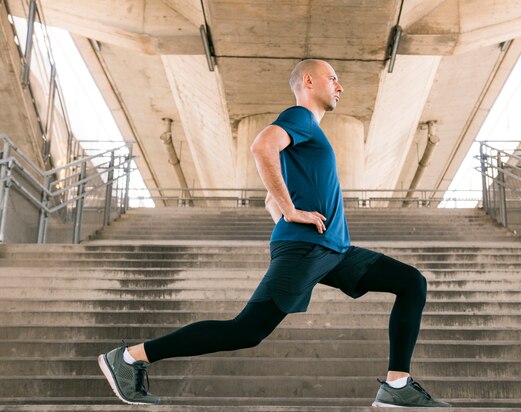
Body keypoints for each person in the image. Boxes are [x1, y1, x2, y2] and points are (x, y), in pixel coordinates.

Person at [97, 59, 450, 408]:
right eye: (333, 78)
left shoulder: (310, 133)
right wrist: (293, 214)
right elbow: (261, 146)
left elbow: (270, 199)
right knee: (246, 331)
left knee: (410, 282)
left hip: (334, 251)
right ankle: (128, 358)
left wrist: (284, 212)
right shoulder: (300, 118)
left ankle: (396, 385)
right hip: (309, 248)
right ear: (308, 81)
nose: (340, 87)